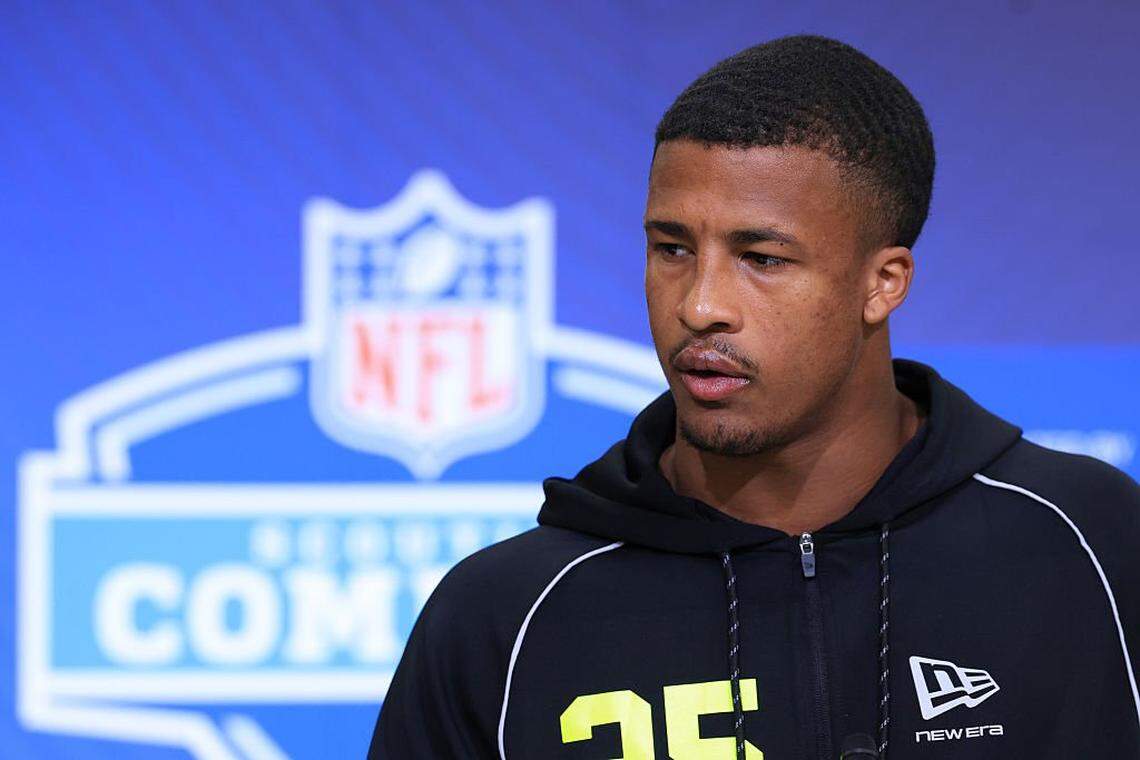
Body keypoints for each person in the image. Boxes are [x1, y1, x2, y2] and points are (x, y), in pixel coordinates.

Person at [368, 34, 1140, 759]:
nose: (699, 304)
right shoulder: (504, 617)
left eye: (761, 258)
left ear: (883, 282)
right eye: (671, 248)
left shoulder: (1094, 544)